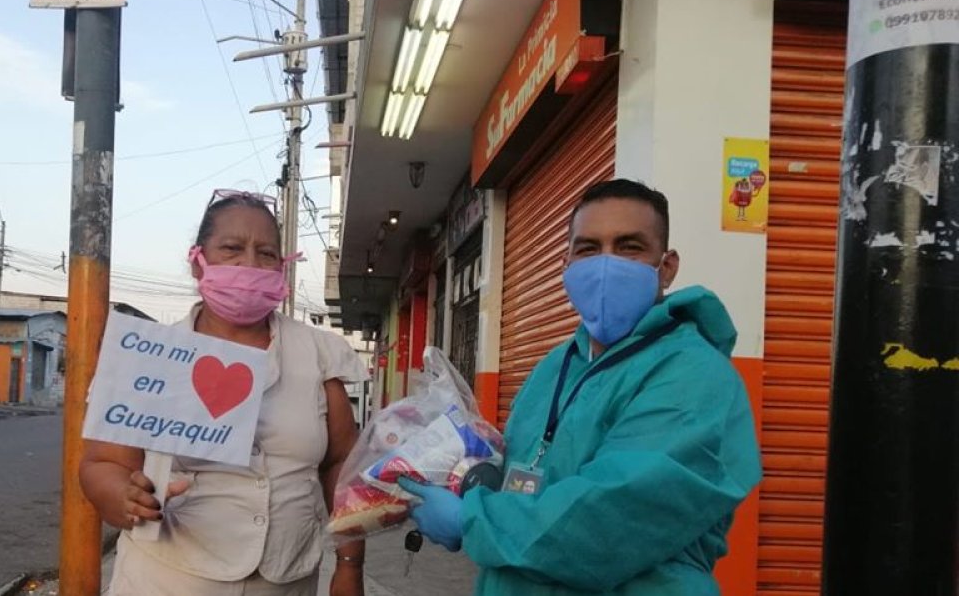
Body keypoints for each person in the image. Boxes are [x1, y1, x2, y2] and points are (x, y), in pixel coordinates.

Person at [398, 179, 762, 595]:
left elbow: (613, 519)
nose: (606, 265)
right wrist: (456, 470)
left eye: (629, 247)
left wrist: (472, 519)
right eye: (589, 248)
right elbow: (530, 475)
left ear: (667, 266)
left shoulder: (695, 374)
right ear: (567, 264)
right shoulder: (555, 367)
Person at [80, 189, 367, 596]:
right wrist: (122, 497)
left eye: (266, 253)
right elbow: (102, 463)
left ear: (283, 267)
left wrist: (350, 565)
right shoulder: (150, 355)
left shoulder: (320, 355)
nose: (250, 263)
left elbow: (341, 466)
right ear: (198, 262)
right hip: (167, 579)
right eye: (231, 248)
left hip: (286, 580)